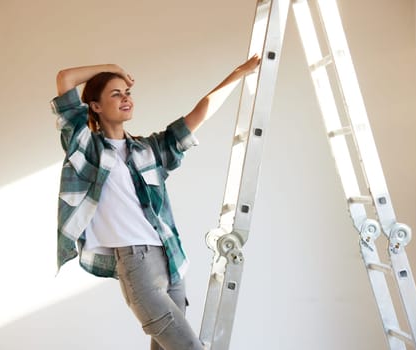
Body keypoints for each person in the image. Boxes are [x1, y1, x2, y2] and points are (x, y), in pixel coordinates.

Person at [50, 54, 261, 350]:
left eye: (128, 93)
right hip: (136, 265)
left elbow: (197, 116)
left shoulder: (148, 150)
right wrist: (112, 68)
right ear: (95, 107)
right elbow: (65, 79)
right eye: (116, 93)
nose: (126, 98)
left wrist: (237, 74)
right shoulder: (85, 147)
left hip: (170, 260)